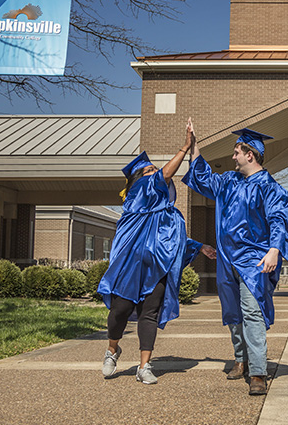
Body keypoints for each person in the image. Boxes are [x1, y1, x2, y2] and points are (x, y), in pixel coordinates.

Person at [183, 124, 288, 396]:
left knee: (251, 312)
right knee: (233, 313)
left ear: (251, 155)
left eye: (237, 152)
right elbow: (203, 177)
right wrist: (193, 145)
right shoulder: (228, 182)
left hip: (253, 260)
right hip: (226, 259)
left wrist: (274, 249)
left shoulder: (270, 188)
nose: (233, 157)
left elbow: (278, 220)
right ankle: (240, 359)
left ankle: (258, 371)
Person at [98, 121, 216, 384]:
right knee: (120, 311)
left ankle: (144, 366)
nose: (155, 173)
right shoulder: (137, 195)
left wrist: (200, 246)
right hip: (129, 266)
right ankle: (112, 348)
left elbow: (174, 241)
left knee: (149, 313)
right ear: (139, 179)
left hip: (157, 269)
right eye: (148, 170)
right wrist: (185, 147)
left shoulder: (171, 215)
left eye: (154, 169)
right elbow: (162, 176)